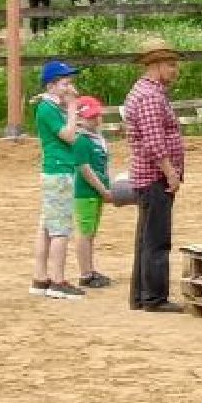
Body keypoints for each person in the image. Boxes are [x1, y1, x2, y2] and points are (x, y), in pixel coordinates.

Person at [124, 40, 187, 313]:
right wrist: (170, 172)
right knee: (157, 239)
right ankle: (154, 297)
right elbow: (154, 142)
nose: (175, 70)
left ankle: (141, 295)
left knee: (146, 237)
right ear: (156, 65)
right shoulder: (151, 96)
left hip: (146, 176)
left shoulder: (145, 92)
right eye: (171, 65)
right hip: (154, 177)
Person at [32, 60, 86, 300]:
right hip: (59, 171)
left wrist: (68, 106)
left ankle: (41, 277)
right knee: (60, 230)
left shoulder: (50, 107)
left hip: (54, 171)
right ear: (51, 85)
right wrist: (73, 107)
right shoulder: (47, 109)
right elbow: (69, 136)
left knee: (47, 227)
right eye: (65, 83)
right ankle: (57, 280)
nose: (69, 87)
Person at [71, 96, 116, 290]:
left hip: (95, 191)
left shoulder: (96, 139)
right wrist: (103, 189)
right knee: (85, 233)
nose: (96, 119)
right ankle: (85, 274)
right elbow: (85, 169)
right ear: (80, 119)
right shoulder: (81, 140)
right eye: (91, 117)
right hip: (86, 192)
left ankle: (90, 270)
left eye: (97, 115)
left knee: (90, 233)